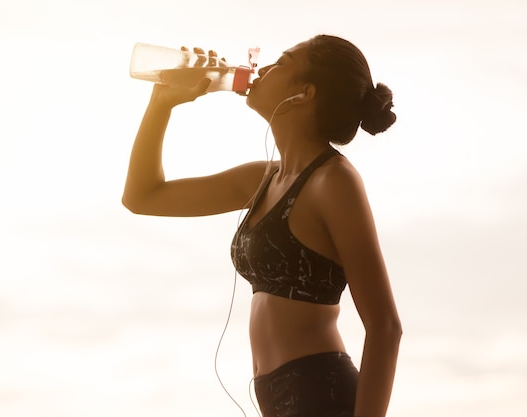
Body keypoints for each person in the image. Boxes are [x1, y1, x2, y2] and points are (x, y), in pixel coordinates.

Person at [122, 34, 402, 417]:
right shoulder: (264, 179)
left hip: (322, 394)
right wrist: (162, 102)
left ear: (304, 94)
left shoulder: (333, 181)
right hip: (277, 402)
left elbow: (386, 328)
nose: (263, 68)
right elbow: (143, 197)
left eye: (281, 63)